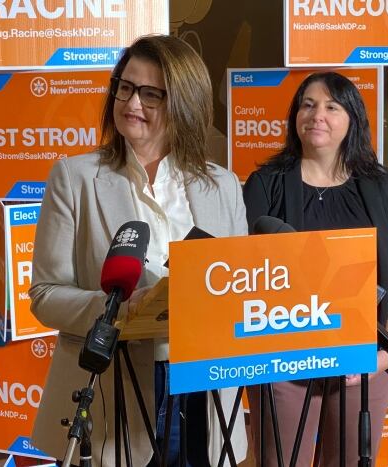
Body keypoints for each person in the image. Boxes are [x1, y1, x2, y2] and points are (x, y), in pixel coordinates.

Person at [29, 35, 248, 466]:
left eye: (151, 94)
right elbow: (45, 294)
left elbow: (239, 286)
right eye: (125, 87)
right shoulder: (74, 177)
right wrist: (122, 310)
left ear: (184, 102)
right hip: (116, 386)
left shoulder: (222, 185)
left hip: (205, 386)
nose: (132, 102)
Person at [243, 71, 388, 466]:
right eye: (307, 104)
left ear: (352, 118)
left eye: (331, 106)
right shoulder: (264, 184)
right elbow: (246, 280)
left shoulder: (381, 185)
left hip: (364, 363)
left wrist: (385, 355)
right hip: (283, 363)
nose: (316, 114)